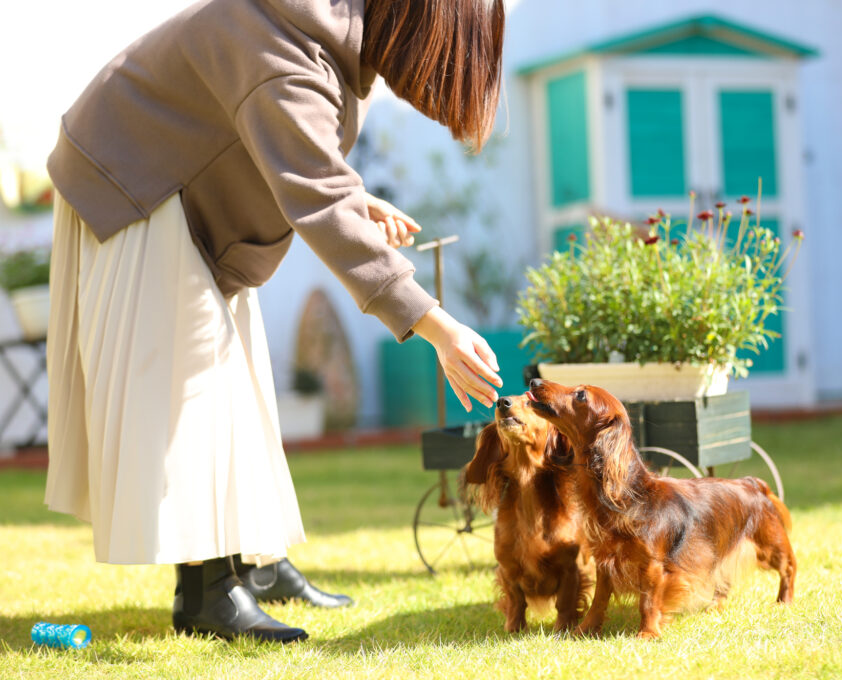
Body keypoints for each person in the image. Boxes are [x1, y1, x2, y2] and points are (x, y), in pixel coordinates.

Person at [44, 0, 506, 643]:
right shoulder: (286, 50)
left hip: (174, 189)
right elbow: (317, 195)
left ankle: (253, 564)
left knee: (240, 386)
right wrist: (437, 328)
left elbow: (292, 149)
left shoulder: (329, 41)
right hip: (133, 182)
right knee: (193, 388)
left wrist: (355, 196)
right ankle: (208, 596)